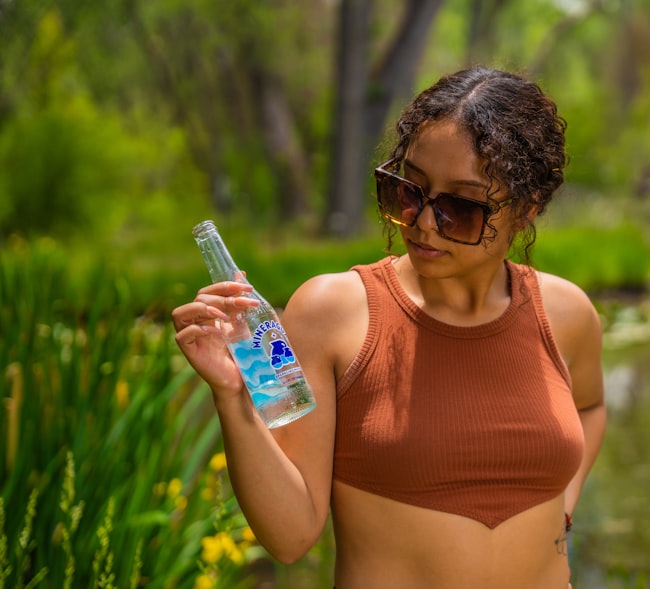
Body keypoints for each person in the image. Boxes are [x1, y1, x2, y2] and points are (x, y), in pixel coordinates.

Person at [172, 66, 606, 589]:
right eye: (409, 191)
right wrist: (233, 398)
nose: (423, 221)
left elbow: (590, 406)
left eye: (458, 208)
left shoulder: (566, 314)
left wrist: (563, 507)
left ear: (525, 210)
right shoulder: (332, 313)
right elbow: (290, 536)